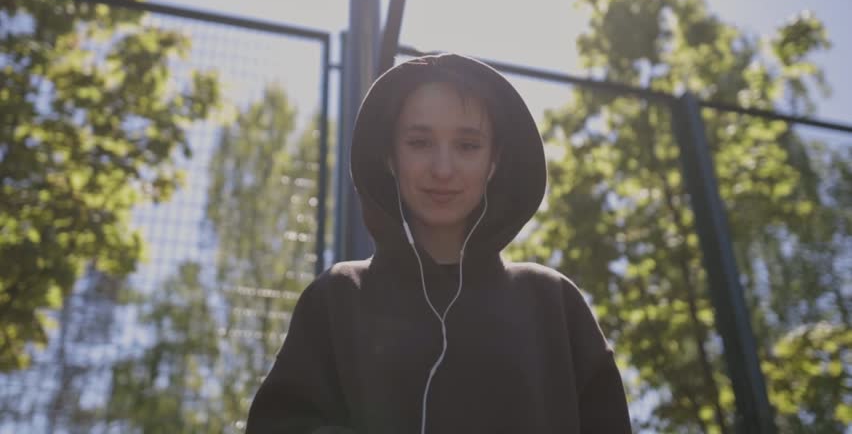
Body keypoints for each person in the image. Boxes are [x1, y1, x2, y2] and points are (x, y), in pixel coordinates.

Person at [245, 53, 632, 434]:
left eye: (467, 146)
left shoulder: (554, 302)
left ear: (493, 162)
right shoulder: (337, 296)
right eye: (419, 142)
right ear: (390, 157)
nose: (443, 169)